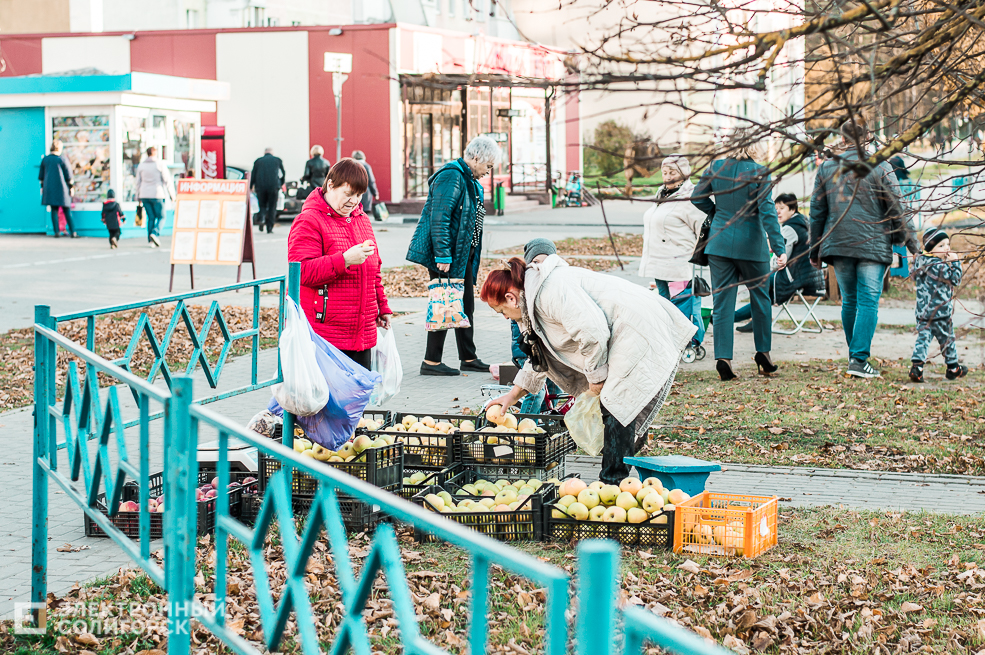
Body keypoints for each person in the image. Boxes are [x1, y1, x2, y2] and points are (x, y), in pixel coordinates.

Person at [481, 255, 696, 483]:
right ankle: (622, 460)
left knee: (616, 402)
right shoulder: (532, 299)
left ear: (510, 297)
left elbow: (592, 332)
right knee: (617, 404)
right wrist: (513, 395)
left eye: (500, 311)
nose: (505, 317)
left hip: (638, 325)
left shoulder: (549, 293)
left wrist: (596, 375)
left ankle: (612, 482)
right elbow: (539, 356)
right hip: (626, 327)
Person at [810, 119, 919, 378]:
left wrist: (815, 250)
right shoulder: (880, 166)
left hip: (839, 243)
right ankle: (858, 359)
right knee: (868, 301)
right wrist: (911, 244)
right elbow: (898, 206)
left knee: (850, 300)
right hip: (873, 242)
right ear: (867, 138)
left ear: (843, 138)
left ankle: (855, 357)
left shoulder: (827, 167)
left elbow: (817, 212)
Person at [691, 138, 786, 380]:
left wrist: (717, 212)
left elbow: (696, 197)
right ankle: (763, 353)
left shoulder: (715, 167)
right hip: (751, 246)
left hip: (719, 242)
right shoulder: (760, 173)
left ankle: (724, 358)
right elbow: (767, 211)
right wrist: (779, 246)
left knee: (722, 303)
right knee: (761, 299)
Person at [407, 135, 501, 376]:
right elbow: (440, 218)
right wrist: (443, 256)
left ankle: (468, 357)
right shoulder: (452, 176)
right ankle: (431, 362)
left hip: (462, 255)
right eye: (488, 167)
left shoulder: (470, 181)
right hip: (447, 256)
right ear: (476, 157)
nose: (488, 173)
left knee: (465, 305)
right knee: (445, 303)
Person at [287, 158, 392, 370]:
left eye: (359, 195)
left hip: (361, 333)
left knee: (356, 398)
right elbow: (302, 272)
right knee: (328, 401)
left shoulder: (361, 219)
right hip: (325, 335)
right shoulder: (309, 220)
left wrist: (382, 306)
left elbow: (374, 270)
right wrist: (344, 260)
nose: (354, 201)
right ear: (331, 185)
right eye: (348, 194)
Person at [639, 155, 707, 344]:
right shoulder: (662, 194)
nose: (668, 176)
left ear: (684, 173)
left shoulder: (689, 196)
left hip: (677, 264)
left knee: (681, 306)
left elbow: (702, 227)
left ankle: (690, 342)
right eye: (665, 172)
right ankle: (671, 342)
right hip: (659, 262)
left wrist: (695, 254)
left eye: (672, 172)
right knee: (664, 305)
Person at [734, 193, 819, 331]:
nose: (777, 212)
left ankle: (732, 317)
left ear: (792, 209)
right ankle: (754, 321)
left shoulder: (790, 228)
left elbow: (781, 258)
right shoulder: (804, 222)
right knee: (764, 289)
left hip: (796, 277)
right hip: (810, 275)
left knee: (761, 284)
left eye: (782, 208)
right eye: (776, 208)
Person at [510, 239, 563, 414]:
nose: (540, 266)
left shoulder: (552, 287)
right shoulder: (526, 294)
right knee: (535, 392)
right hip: (527, 353)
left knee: (555, 386)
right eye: (535, 262)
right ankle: (526, 428)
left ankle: (548, 419)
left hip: (548, 353)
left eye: (545, 261)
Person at [909, 228, 967, 382]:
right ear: (931, 250)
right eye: (941, 246)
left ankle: (917, 367)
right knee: (947, 340)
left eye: (948, 244)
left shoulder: (920, 263)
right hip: (940, 313)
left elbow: (913, 275)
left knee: (923, 339)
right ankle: (953, 368)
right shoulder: (938, 266)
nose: (947, 248)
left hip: (923, 313)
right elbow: (955, 279)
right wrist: (955, 262)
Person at [135, 146, 175, 247]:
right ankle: (155, 233)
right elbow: (167, 180)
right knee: (162, 217)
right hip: (157, 194)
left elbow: (138, 182)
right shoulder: (160, 164)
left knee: (151, 217)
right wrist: (172, 195)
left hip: (144, 194)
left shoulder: (141, 165)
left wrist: (138, 196)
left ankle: (151, 241)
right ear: (155, 153)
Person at [39, 140, 75, 238]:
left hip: (49, 188)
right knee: (67, 210)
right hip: (63, 189)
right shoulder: (62, 159)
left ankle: (56, 232)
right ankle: (73, 232)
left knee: (54, 210)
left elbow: (41, 176)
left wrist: (42, 187)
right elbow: (69, 176)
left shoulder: (45, 160)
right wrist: (71, 188)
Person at [251, 147, 286, 234]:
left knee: (262, 205)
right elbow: (282, 173)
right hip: (273, 187)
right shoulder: (277, 160)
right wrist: (281, 183)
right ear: (272, 153)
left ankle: (262, 218)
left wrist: (251, 186)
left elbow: (253, 174)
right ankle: (269, 228)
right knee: (272, 207)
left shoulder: (258, 161)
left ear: (264, 153)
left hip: (260, 187)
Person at [351, 151, 379, 217]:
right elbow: (371, 181)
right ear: (364, 157)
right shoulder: (367, 166)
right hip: (365, 193)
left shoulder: (351, 166)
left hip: (353, 193)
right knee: (364, 215)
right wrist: (375, 193)